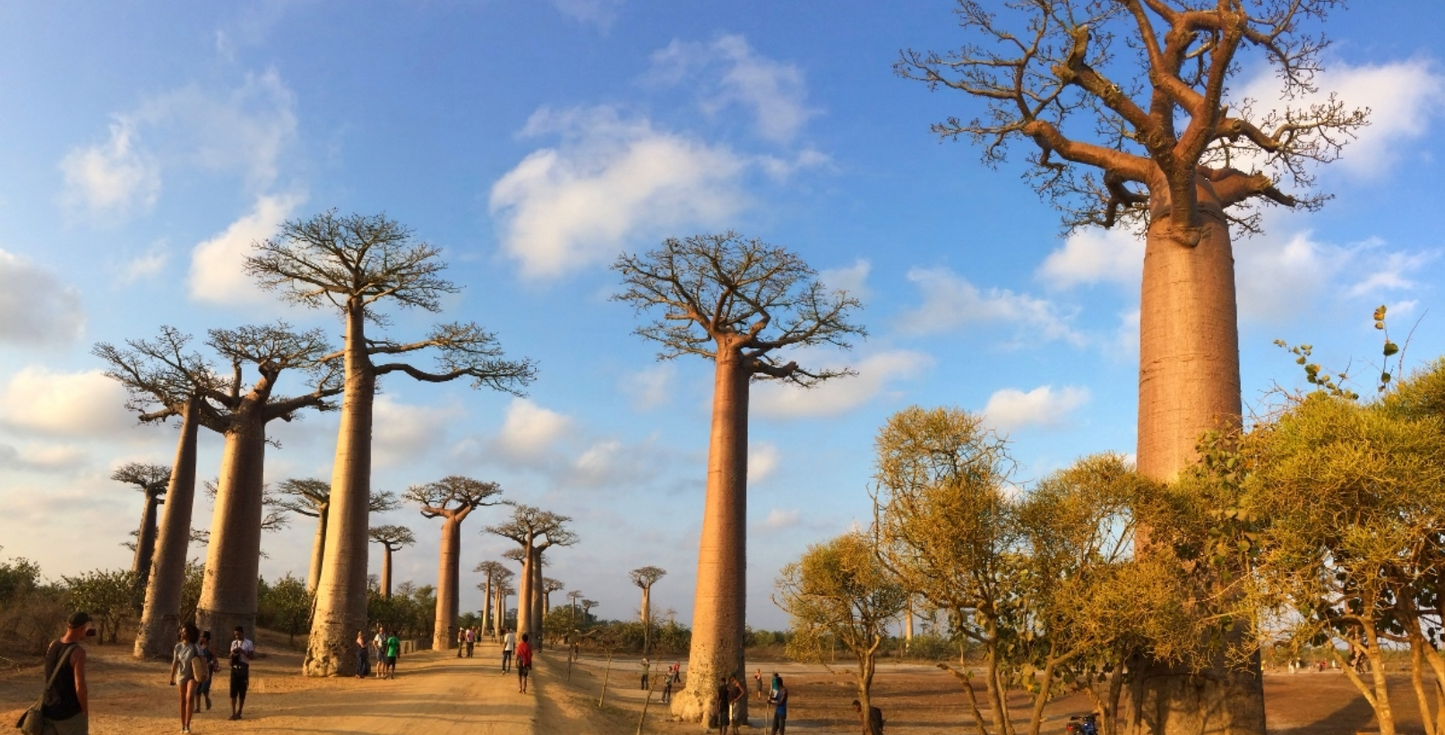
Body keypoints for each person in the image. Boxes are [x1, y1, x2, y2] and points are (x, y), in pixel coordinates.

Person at [36, 611, 91, 735]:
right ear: (82, 628)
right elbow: (80, 687)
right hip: (69, 713)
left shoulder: (52, 644)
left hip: (48, 709)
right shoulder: (78, 652)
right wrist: (84, 709)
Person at [169, 621, 200, 734]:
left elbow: (202, 660)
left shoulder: (195, 646)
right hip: (181, 675)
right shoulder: (178, 647)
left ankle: (188, 725)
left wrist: (205, 673)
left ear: (190, 633)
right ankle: (183, 725)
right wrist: (171, 677)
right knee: (182, 700)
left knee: (190, 696)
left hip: (192, 675)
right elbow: (175, 663)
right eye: (181, 632)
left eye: (184, 632)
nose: (182, 634)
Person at [228, 626, 254, 720]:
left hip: (243, 668)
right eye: (235, 635)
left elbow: (251, 657)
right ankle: (233, 712)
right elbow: (230, 656)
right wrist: (233, 653)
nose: (236, 636)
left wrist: (243, 652)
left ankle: (240, 711)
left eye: (238, 634)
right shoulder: (233, 643)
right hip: (234, 668)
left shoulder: (248, 643)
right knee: (233, 691)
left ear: (242, 633)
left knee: (242, 691)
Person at [196, 630, 218, 712]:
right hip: (199, 670)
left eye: (203, 637)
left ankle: (206, 698)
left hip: (208, 670)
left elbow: (215, 657)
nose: (201, 638)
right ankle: (198, 708)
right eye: (201, 637)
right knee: (197, 689)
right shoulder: (198, 647)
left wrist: (210, 663)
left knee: (205, 687)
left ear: (207, 638)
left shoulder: (210, 647)